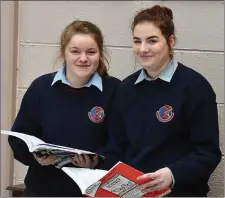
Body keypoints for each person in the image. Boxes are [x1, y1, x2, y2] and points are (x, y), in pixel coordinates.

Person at [76, 5, 222, 197]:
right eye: (137, 41)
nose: (143, 49)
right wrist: (98, 171)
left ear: (171, 41)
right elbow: (115, 148)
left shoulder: (195, 87)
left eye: (152, 41)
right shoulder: (125, 89)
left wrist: (172, 174)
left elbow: (208, 153)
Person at [8, 20, 120, 197]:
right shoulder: (41, 88)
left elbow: (121, 142)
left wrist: (96, 161)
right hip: (42, 190)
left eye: (91, 52)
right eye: (75, 51)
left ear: (100, 54)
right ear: (64, 52)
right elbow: (19, 139)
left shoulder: (114, 91)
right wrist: (36, 158)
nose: (83, 58)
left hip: (92, 192)